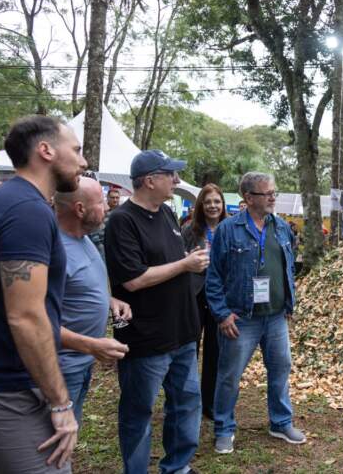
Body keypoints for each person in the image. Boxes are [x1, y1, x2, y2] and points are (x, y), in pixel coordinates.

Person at [0, 115, 86, 473]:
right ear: (46, 151)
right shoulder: (26, 211)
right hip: (3, 390)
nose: (83, 162)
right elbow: (25, 316)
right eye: (76, 150)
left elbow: (4, 308)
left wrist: (89, 345)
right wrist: (60, 404)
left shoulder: (15, 201)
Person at [104, 150, 207, 474]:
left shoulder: (165, 213)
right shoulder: (121, 220)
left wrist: (188, 262)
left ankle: (177, 466)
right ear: (150, 180)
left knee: (187, 403)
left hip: (182, 333)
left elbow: (168, 263)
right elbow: (132, 280)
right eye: (170, 175)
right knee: (138, 411)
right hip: (144, 337)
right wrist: (185, 264)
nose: (176, 181)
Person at [207, 172, 305, 454]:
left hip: (275, 317)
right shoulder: (228, 229)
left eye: (275, 191)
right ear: (249, 198)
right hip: (241, 317)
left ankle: (281, 422)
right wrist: (222, 314)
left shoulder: (282, 227)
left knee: (281, 368)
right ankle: (224, 429)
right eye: (267, 193)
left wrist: (289, 302)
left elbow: (287, 268)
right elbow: (214, 277)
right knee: (229, 375)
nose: (274, 197)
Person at [55, 177, 131, 424]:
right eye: (101, 201)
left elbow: (76, 286)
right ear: (80, 209)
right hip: (61, 368)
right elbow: (35, 322)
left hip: (83, 362)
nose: (108, 207)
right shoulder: (54, 250)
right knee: (52, 442)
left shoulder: (84, 238)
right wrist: (92, 346)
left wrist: (109, 300)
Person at [181, 183, 228, 422]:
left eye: (216, 202)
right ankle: (186, 402)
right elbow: (178, 259)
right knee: (190, 348)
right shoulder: (190, 229)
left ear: (222, 205)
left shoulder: (229, 229)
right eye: (208, 202)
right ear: (201, 204)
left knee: (215, 351)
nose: (212, 206)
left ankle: (210, 403)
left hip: (220, 296)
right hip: (194, 294)